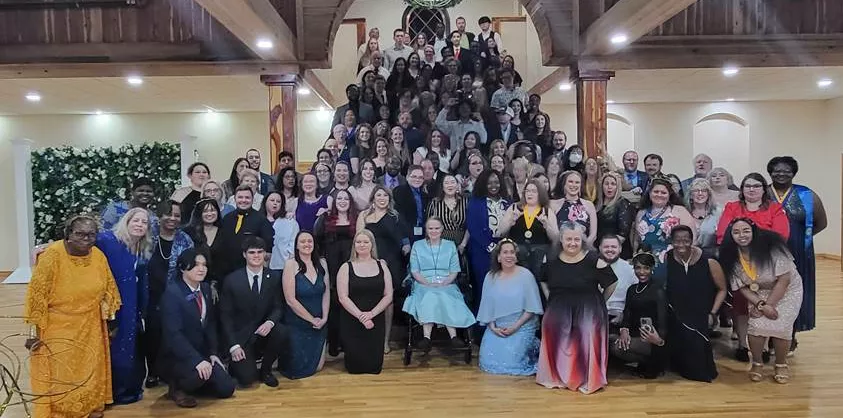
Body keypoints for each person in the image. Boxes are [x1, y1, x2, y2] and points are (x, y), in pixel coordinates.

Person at [25, 214, 121, 418]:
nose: (86, 239)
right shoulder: (52, 255)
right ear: (68, 235)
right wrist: (32, 332)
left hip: (90, 323)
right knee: (63, 372)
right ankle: (63, 411)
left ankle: (87, 406)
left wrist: (111, 319)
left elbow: (109, 288)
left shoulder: (97, 255)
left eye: (91, 235)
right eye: (80, 234)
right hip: (58, 325)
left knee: (90, 369)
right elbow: (37, 295)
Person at [715, 173, 789, 362]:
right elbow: (724, 233)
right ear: (742, 189)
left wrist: (753, 240)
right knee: (741, 305)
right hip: (739, 262)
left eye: (756, 186)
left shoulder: (774, 208)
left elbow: (781, 236)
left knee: (763, 302)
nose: (752, 189)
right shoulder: (733, 207)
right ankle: (742, 344)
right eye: (747, 186)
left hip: (767, 264)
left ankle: (763, 347)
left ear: (764, 189)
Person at [537, 222, 617, 394]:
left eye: (576, 239)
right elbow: (543, 279)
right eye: (568, 239)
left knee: (587, 333)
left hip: (588, 307)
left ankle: (586, 378)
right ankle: (557, 376)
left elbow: (612, 283)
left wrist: (601, 302)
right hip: (558, 305)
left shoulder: (594, 259)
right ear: (561, 239)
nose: (572, 243)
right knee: (550, 326)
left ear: (583, 240)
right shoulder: (550, 258)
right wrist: (549, 297)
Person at [719, 218, 803, 384]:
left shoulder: (773, 247)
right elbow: (741, 287)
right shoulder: (731, 256)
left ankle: (781, 364)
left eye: (746, 231)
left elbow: (784, 280)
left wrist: (769, 305)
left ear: (754, 232)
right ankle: (757, 363)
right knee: (756, 326)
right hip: (757, 293)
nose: (741, 235)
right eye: (736, 232)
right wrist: (760, 304)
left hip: (786, 291)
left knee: (781, 326)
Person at [159, 248, 235, 408]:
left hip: (202, 353)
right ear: (182, 268)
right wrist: (197, 361)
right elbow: (174, 335)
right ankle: (177, 387)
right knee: (196, 375)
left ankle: (198, 382)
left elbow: (210, 324)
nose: (201, 269)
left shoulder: (206, 289)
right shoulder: (172, 293)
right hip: (178, 357)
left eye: (204, 265)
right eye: (195, 265)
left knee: (226, 388)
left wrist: (213, 354)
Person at [767, 156, 827, 351]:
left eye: (786, 170)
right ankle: (767, 334)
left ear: (793, 173)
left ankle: (789, 334)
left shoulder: (806, 194)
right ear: (770, 172)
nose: (781, 174)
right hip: (767, 253)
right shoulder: (763, 192)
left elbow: (821, 222)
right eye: (777, 170)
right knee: (768, 292)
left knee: (794, 294)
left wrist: (799, 239)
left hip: (799, 253)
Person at [96, 208, 152, 404]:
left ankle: (129, 389)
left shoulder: (142, 250)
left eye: (144, 222)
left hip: (132, 305)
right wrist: (45, 247)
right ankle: (111, 392)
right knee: (115, 348)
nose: (139, 224)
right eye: (135, 220)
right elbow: (81, 241)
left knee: (131, 348)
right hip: (112, 304)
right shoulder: (108, 241)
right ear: (126, 222)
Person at [220, 237, 288, 388]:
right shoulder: (231, 280)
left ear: (265, 254)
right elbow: (225, 316)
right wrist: (233, 346)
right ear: (244, 254)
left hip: (263, 331)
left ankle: (266, 370)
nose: (256, 255)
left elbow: (278, 306)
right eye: (252, 252)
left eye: (260, 252)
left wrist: (270, 323)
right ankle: (235, 364)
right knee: (246, 379)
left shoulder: (274, 277)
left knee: (281, 331)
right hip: (242, 336)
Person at [403, 217, 476, 350]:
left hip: (447, 282)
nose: (434, 231)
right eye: (430, 228)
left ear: (442, 229)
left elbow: (454, 271)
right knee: (430, 295)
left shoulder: (450, 245)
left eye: (437, 228)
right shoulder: (417, 245)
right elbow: (415, 271)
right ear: (426, 229)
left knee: (445, 295)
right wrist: (427, 283)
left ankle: (453, 337)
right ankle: (426, 337)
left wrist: (444, 283)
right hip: (423, 282)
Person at [665, 225, 727, 382]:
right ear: (671, 241)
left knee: (699, 367)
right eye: (677, 241)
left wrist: (713, 314)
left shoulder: (709, 261)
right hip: (676, 313)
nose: (681, 245)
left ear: (692, 241)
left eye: (686, 240)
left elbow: (722, 290)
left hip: (701, 314)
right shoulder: (667, 257)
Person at [143, 200, 193, 388]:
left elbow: (188, 267)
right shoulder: (148, 235)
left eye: (177, 215)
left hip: (174, 295)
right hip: (150, 294)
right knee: (152, 335)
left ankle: (168, 372)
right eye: (168, 214)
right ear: (159, 215)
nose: (172, 218)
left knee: (171, 334)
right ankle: (153, 373)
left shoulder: (185, 239)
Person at [477, 239, 543, 375]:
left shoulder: (526, 275)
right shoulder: (490, 277)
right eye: (505, 252)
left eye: (512, 252)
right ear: (499, 257)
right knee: (488, 361)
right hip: (497, 327)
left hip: (521, 326)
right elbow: (486, 306)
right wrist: (492, 327)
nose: (509, 256)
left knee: (512, 363)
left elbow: (531, 308)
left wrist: (515, 327)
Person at [358, 186, 411, 353]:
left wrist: (406, 247)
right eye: (378, 195)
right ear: (373, 198)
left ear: (389, 199)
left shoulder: (395, 216)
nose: (382, 198)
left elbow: (405, 239)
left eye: (385, 195)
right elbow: (359, 239)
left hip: (391, 262)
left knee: (387, 300)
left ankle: (385, 341)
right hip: (369, 261)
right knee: (367, 297)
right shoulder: (364, 215)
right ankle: (367, 337)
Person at [337, 230, 394, 374]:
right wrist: (361, 316)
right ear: (354, 245)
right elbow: (343, 297)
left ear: (372, 245)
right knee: (354, 368)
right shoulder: (346, 267)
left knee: (374, 368)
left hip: (376, 320)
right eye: (358, 242)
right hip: (353, 320)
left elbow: (388, 295)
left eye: (366, 242)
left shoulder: (382, 266)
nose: (362, 245)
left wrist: (371, 314)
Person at [314, 189, 358, 356]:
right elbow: (316, 243)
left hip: (350, 268)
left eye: (346, 198)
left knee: (349, 304)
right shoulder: (324, 219)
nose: (342, 201)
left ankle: (347, 343)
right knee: (333, 306)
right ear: (333, 201)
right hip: (330, 268)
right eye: (339, 198)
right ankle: (332, 344)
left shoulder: (356, 219)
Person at [281, 231, 330, 379]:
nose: (306, 244)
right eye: (302, 241)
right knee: (297, 370)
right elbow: (290, 299)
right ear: (296, 245)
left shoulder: (322, 263)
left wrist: (324, 317)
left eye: (310, 241)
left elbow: (326, 292)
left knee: (319, 366)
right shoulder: (291, 264)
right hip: (298, 321)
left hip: (319, 321)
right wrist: (311, 319)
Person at [611, 251, 667, 379]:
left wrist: (658, 340)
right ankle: (645, 363)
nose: (642, 272)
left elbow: (663, 319)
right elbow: (627, 313)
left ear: (652, 269)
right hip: (636, 334)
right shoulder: (632, 289)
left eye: (646, 268)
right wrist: (624, 331)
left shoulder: (658, 290)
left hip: (654, 338)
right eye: (638, 268)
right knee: (610, 341)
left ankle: (654, 363)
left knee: (616, 347)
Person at [632, 178, 695, 284]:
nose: (659, 195)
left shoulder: (679, 210)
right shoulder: (641, 213)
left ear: (669, 194)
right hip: (646, 263)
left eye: (663, 192)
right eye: (656, 192)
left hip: (672, 259)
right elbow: (636, 240)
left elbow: (692, 238)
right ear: (650, 193)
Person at [498, 179, 559, 278]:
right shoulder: (514, 208)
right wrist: (510, 222)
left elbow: (555, 238)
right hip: (517, 255)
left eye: (534, 191)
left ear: (540, 194)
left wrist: (547, 226)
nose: (530, 194)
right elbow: (500, 232)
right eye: (527, 191)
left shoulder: (547, 211)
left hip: (539, 255)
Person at [466, 170, 509, 306]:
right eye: (489, 183)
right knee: (484, 286)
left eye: (496, 182)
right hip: (482, 250)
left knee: (504, 287)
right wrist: (491, 246)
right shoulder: (475, 202)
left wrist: (504, 247)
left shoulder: (507, 202)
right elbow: (473, 227)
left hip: (505, 249)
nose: (493, 185)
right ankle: (482, 323)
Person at [218, 185, 274, 279]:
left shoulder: (261, 220)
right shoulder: (227, 219)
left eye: (247, 197)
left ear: (252, 200)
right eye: (240, 197)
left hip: (251, 272)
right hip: (227, 272)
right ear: (235, 199)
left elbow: (267, 250)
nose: (243, 200)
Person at [552, 171, 598, 247]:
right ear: (564, 184)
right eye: (570, 182)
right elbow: (555, 233)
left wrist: (583, 248)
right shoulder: (554, 204)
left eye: (577, 182)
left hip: (583, 248)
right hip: (561, 247)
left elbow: (593, 235)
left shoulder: (589, 205)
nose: (574, 185)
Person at [599, 235, 637, 325]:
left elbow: (635, 299)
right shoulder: (590, 266)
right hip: (595, 315)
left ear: (620, 249)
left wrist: (624, 315)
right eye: (606, 247)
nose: (610, 250)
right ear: (600, 248)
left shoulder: (630, 270)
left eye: (614, 247)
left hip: (620, 316)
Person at [596, 172, 634, 259]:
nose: (609, 187)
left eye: (613, 184)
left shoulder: (623, 204)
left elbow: (623, 234)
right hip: (599, 249)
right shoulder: (597, 204)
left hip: (615, 251)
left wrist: (608, 249)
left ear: (618, 187)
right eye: (606, 184)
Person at [263, 191, 299, 274]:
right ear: (265, 202)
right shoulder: (258, 219)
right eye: (272, 200)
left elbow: (293, 244)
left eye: (278, 201)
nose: (275, 203)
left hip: (282, 266)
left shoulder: (290, 222)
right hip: (261, 265)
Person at [393, 165, 430, 243]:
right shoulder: (399, 191)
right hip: (406, 235)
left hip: (422, 233)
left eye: (420, 177)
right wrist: (405, 240)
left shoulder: (425, 195)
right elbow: (399, 216)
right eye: (414, 176)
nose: (417, 179)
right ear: (407, 177)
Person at [687, 178, 723, 258]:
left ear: (709, 194)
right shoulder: (684, 212)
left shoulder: (718, 212)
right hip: (688, 256)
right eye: (696, 191)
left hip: (712, 256)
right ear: (691, 195)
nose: (700, 194)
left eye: (704, 191)